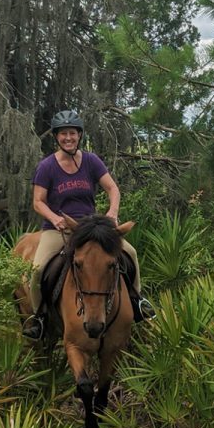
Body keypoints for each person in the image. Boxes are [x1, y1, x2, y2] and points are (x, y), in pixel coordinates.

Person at [23, 110, 155, 340]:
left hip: (91, 227)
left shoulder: (91, 161)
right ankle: (39, 317)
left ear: (79, 135)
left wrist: (112, 213)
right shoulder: (47, 167)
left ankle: (137, 302)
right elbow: (38, 202)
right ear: (56, 137)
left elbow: (112, 188)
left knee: (130, 253)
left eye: (72, 133)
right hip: (59, 228)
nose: (68, 138)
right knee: (38, 269)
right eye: (63, 134)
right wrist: (54, 218)